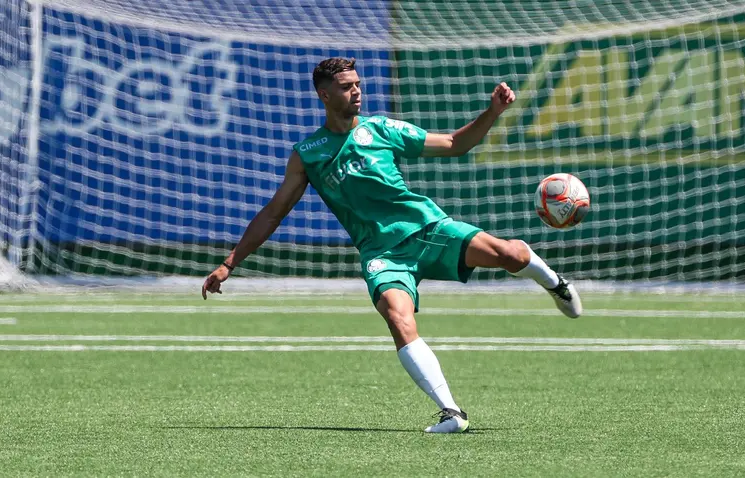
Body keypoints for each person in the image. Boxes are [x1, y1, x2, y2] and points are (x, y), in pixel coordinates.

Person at [202, 57, 582, 433]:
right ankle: (451, 411)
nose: (357, 91)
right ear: (324, 94)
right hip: (382, 254)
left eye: (358, 84)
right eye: (347, 86)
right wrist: (229, 264)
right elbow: (273, 213)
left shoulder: (381, 128)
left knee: (511, 255)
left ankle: (555, 284)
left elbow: (452, 144)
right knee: (398, 317)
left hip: (427, 228)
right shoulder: (309, 153)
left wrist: (493, 111)